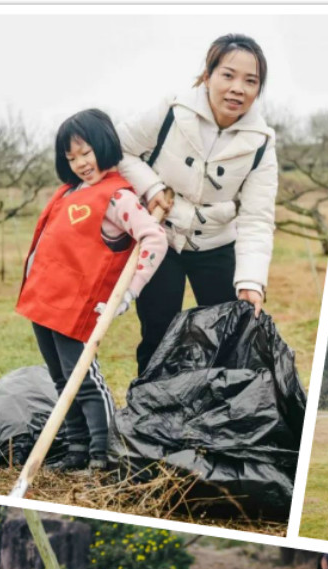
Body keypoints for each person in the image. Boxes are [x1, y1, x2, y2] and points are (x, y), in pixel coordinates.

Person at [15, 109, 168, 471]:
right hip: (44, 301)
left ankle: (102, 454)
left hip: (76, 306)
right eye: (71, 157)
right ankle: (76, 451)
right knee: (59, 380)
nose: (81, 163)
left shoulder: (117, 197)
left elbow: (154, 238)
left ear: (103, 144)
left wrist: (127, 294)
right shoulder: (68, 192)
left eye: (86, 153)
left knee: (82, 380)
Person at [117, 34, 277, 375]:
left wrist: (250, 280)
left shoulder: (261, 143)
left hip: (217, 242)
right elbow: (119, 149)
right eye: (228, 75)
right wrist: (151, 186)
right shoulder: (174, 112)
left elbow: (257, 218)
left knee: (228, 336)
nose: (238, 88)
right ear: (208, 75)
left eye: (251, 81)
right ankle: (151, 415)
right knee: (158, 332)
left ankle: (217, 413)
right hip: (161, 236)